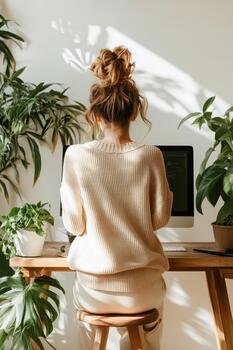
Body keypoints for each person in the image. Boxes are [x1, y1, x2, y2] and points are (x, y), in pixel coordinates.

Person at [59, 45, 173, 350]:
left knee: (84, 319)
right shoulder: (152, 156)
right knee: (151, 319)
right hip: (142, 291)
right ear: (135, 112)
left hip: (94, 291)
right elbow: (160, 220)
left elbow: (74, 224)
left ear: (94, 115)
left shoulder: (76, 156)